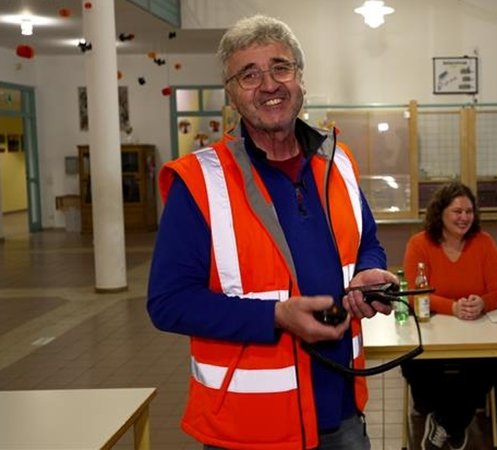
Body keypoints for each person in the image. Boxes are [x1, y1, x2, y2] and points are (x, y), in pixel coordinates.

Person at [147, 15, 395, 450]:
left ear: (299, 78)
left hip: (341, 409)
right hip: (247, 428)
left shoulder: (338, 161)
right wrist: (275, 317)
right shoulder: (199, 182)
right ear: (232, 93)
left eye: (280, 67)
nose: (269, 84)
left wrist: (368, 274)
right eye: (249, 74)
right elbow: (168, 303)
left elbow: (368, 244)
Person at [400, 182, 497, 450]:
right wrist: (452, 307)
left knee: (491, 362)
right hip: (430, 334)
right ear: (440, 212)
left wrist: (482, 303)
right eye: (457, 211)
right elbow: (414, 295)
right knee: (418, 361)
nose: (464, 217)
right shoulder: (419, 244)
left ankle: (446, 423)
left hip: (476, 332)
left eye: (469, 211)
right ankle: (455, 423)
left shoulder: (484, 243)